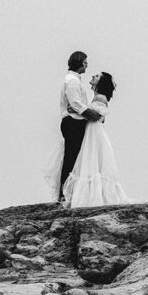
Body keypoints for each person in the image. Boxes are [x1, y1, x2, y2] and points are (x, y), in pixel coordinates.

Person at [61, 72, 130, 208]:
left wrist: (77, 110)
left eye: (97, 76)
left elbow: (97, 116)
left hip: (94, 132)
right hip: (92, 131)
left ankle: (89, 197)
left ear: (101, 82)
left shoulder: (100, 97)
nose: (93, 76)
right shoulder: (96, 97)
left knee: (91, 160)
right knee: (90, 161)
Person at [56, 51, 101, 201]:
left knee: (75, 157)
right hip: (73, 123)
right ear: (79, 62)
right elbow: (75, 103)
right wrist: (90, 113)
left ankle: (69, 192)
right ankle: (64, 193)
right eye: (85, 62)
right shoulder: (72, 81)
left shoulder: (73, 80)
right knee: (71, 157)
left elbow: (75, 104)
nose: (87, 65)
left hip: (75, 121)